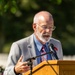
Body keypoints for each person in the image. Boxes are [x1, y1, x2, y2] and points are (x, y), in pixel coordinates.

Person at [4, 11, 63, 75]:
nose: (48, 31)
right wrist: (15, 70)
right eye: (44, 27)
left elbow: (61, 69)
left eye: (51, 27)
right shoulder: (19, 46)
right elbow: (6, 73)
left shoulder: (56, 44)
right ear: (34, 27)